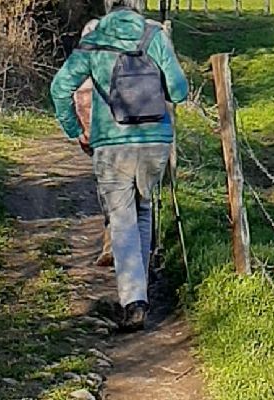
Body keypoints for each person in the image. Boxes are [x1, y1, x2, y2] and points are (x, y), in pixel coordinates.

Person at [51, 0, 188, 331]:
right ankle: (139, 291)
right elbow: (180, 91)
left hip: (112, 145)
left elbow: (60, 87)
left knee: (122, 219)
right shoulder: (154, 35)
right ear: (136, 11)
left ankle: (133, 302)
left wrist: (75, 130)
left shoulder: (95, 39)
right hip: (155, 142)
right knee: (142, 209)